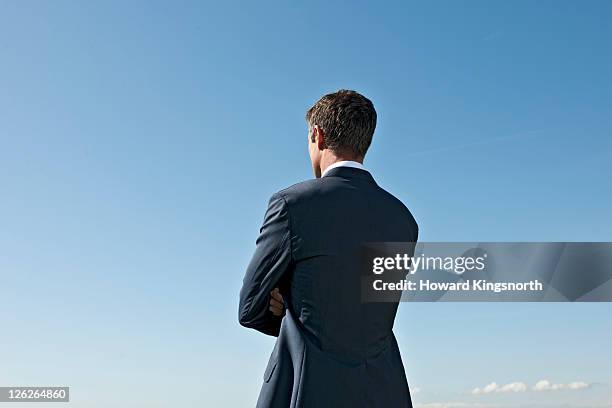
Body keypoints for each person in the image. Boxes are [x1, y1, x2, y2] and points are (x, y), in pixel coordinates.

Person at [239, 90, 419, 407]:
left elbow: (249, 306)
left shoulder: (291, 205)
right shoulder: (403, 219)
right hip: (383, 392)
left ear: (318, 136)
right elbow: (363, 311)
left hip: (306, 388)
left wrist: (286, 303)